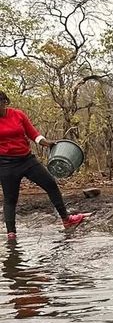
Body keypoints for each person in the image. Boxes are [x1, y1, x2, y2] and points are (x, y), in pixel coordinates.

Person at [0, 91, 88, 241]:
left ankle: (66, 219)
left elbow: (33, 133)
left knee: (50, 184)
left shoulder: (17, 114)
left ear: (4, 101)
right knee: (10, 199)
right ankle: (11, 234)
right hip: (6, 164)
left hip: (27, 160)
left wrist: (47, 143)